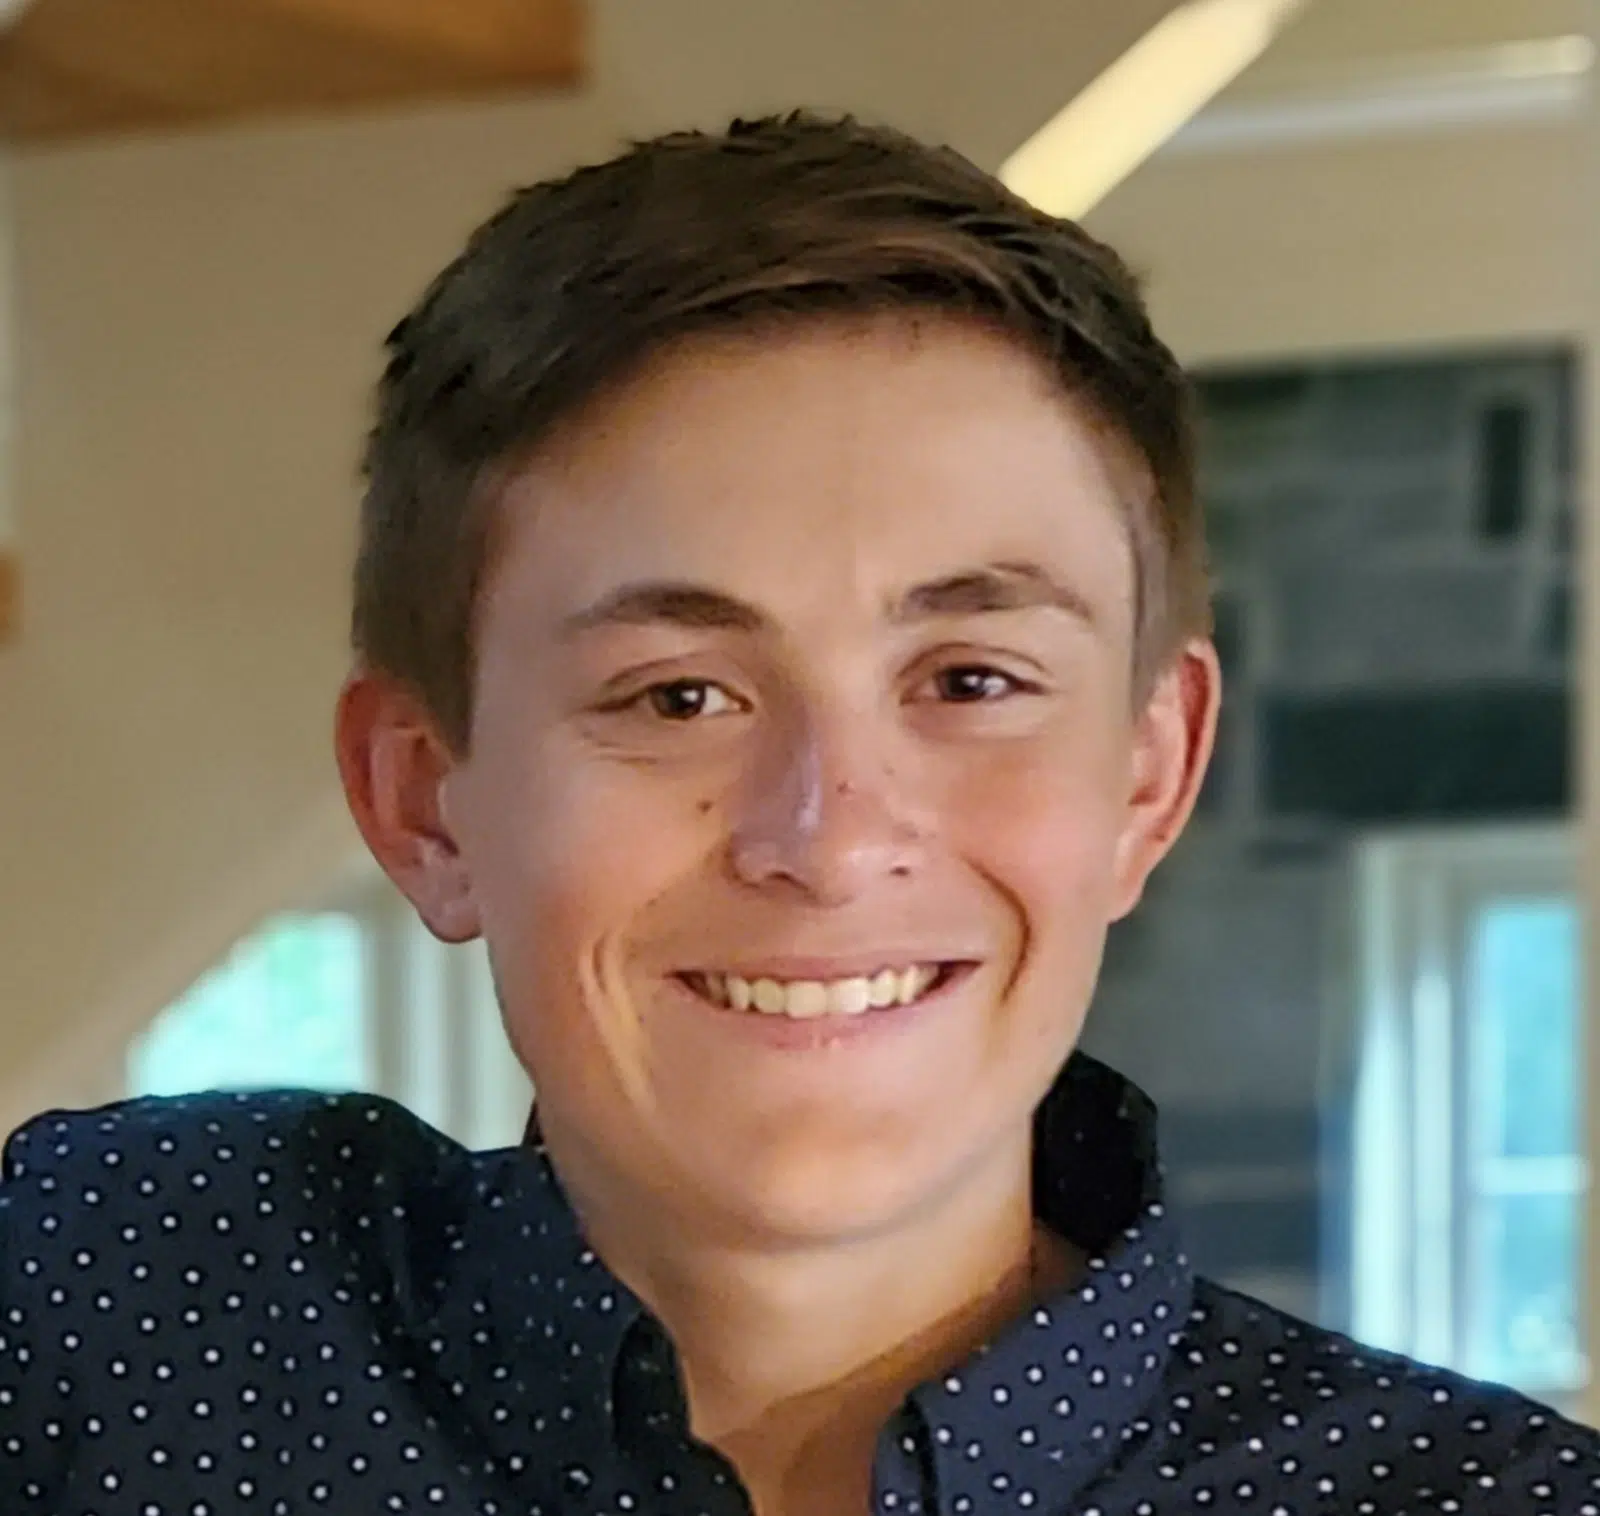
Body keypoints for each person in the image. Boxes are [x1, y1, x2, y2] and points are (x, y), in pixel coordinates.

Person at [2, 111, 1596, 1516]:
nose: (828, 841)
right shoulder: (107, 1303)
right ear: (424, 802)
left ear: (1148, 774)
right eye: (677, 697)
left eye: (971, 680)